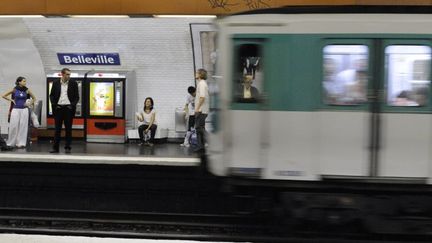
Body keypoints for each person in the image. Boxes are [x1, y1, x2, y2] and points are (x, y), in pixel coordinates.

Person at [49, 68, 79, 153]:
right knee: (57, 129)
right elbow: (51, 95)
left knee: (68, 129)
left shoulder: (73, 83)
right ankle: (55, 148)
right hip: (58, 109)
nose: (69, 76)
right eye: (67, 74)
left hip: (68, 109)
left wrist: (71, 105)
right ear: (62, 74)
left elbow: (77, 97)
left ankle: (68, 147)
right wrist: (55, 105)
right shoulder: (55, 83)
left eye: (69, 74)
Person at [2, 76, 36, 149]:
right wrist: (12, 100)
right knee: (13, 126)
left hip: (24, 110)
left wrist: (29, 104)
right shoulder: (14, 90)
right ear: (19, 82)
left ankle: (21, 143)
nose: (25, 82)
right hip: (15, 109)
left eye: (25, 81)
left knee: (23, 126)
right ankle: (11, 142)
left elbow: (34, 98)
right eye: (24, 81)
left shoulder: (27, 90)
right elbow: (4, 96)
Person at [194, 69, 209, 153]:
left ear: (200, 74)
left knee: (199, 128)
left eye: (196, 73)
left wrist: (197, 108)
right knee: (199, 128)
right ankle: (201, 146)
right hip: (201, 110)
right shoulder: (201, 83)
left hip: (201, 110)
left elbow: (202, 97)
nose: (195, 74)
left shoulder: (202, 84)